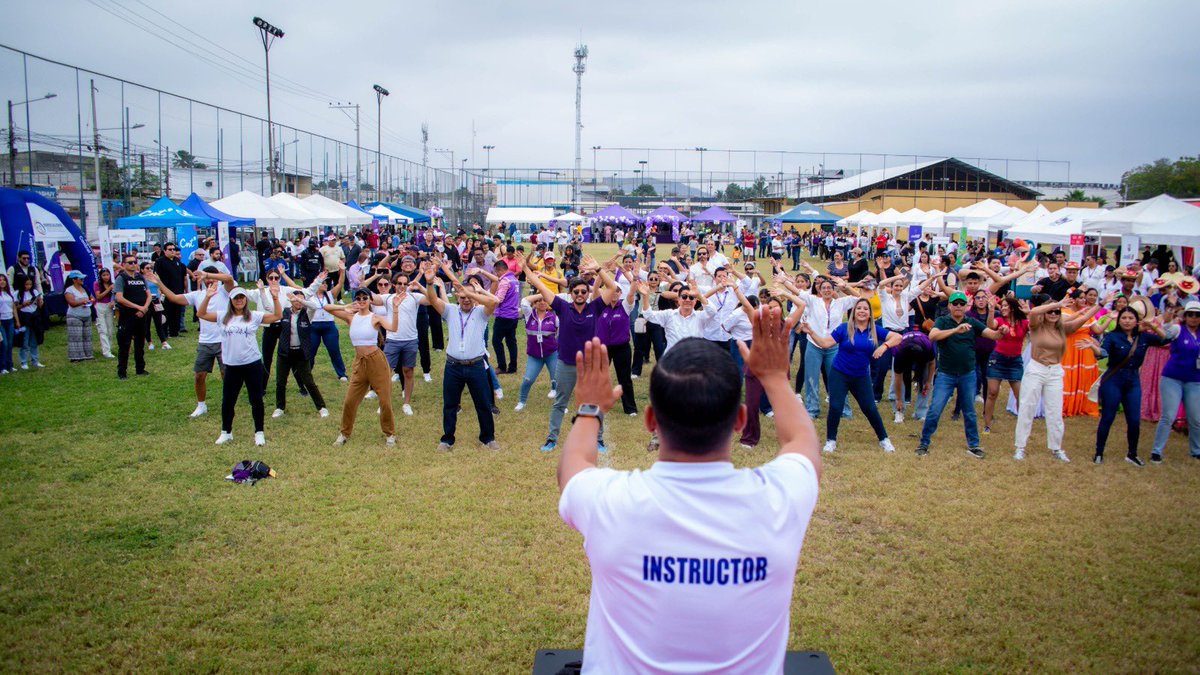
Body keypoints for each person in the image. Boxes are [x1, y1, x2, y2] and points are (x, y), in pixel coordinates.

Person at [555, 307, 821, 673]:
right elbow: (802, 441)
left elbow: (573, 469)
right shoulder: (778, 499)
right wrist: (775, 377)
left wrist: (589, 409)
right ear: (740, 420)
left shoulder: (612, 502)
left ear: (651, 421)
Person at [525, 254, 616, 455]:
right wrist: (525, 268)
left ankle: (598, 439)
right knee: (560, 402)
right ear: (571, 293)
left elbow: (612, 289)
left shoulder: (595, 307)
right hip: (566, 364)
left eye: (584, 291)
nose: (581, 294)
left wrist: (598, 270)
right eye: (577, 291)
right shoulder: (562, 307)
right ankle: (552, 438)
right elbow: (540, 287)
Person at [1013, 293, 1109, 462]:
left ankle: (1056, 448)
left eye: (1057, 312)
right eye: (1051, 311)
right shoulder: (1036, 325)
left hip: (1055, 371)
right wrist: (1057, 304)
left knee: (1055, 410)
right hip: (1036, 369)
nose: (1053, 315)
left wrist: (1101, 303)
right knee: (1027, 407)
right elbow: (1035, 312)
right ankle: (1020, 447)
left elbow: (1085, 317)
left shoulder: (1063, 328)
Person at [915, 291, 1008, 458]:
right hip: (946, 375)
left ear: (966, 306)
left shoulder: (972, 322)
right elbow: (932, 336)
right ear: (949, 306)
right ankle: (924, 443)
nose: (958, 306)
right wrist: (955, 330)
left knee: (969, 411)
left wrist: (1002, 331)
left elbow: (993, 335)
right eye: (955, 303)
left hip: (967, 374)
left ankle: (974, 445)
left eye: (961, 304)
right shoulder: (943, 321)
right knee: (935, 409)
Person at [805, 298, 902, 453]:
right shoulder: (844, 328)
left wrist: (884, 346)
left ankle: (884, 439)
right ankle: (831, 441)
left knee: (870, 408)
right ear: (853, 312)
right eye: (859, 308)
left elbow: (898, 337)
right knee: (836, 407)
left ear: (870, 313)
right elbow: (824, 344)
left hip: (861, 376)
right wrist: (811, 332)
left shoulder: (875, 330)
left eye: (865, 309)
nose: (862, 311)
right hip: (839, 374)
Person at [423, 261, 501, 452]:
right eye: (462, 296)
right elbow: (433, 300)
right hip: (453, 366)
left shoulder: (481, 312)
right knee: (450, 404)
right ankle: (447, 439)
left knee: (483, 403)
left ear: (474, 297)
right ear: (457, 297)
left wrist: (472, 293)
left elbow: (493, 302)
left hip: (475, 366)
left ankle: (488, 437)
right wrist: (430, 283)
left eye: (468, 297)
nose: (465, 300)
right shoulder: (450, 311)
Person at [196, 281, 282, 446]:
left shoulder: (254, 316)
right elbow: (201, 314)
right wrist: (207, 297)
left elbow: (277, 316)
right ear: (231, 300)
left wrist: (276, 298)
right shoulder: (222, 316)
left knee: (256, 399)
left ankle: (259, 432)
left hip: (252, 364)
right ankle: (226, 432)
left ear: (246, 299)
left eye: (242, 297)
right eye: (236, 298)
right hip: (231, 365)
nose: (239, 300)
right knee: (228, 400)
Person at [1087, 306, 1167, 466]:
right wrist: (1094, 348)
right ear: (1119, 320)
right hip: (1114, 379)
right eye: (1124, 318)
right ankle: (1099, 452)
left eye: (1131, 318)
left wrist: (1152, 326)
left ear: (1137, 320)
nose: (1127, 321)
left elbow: (1166, 340)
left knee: (1134, 420)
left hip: (1133, 380)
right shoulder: (1112, 336)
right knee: (1108, 417)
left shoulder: (1144, 337)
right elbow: (1103, 352)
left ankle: (1132, 454)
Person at [150, 267, 233, 418]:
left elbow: (228, 278)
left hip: (224, 340)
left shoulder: (225, 292)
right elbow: (174, 298)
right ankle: (201, 405)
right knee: (199, 375)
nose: (209, 282)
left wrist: (209, 275)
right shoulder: (197, 295)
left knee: (226, 374)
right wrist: (159, 283)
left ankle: (228, 403)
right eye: (206, 279)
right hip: (205, 342)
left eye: (212, 279)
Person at [328, 288, 403, 447]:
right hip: (359, 362)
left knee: (384, 400)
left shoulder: (375, 317)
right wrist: (345, 307)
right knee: (350, 401)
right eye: (359, 298)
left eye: (364, 298)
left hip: (377, 362)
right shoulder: (351, 317)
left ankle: (390, 434)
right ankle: (344, 433)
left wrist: (395, 309)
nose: (361, 301)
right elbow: (326, 308)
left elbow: (393, 328)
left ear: (370, 300)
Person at [1149, 301, 1200, 463]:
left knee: (1195, 418)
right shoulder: (1178, 329)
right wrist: (1166, 320)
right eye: (1190, 314)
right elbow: (1165, 334)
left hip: (1195, 380)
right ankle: (1157, 451)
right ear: (1185, 316)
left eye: (1197, 315)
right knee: (1168, 416)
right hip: (1173, 378)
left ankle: (1195, 451)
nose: (1194, 318)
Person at [370, 271, 427, 416]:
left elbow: (433, 299)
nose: (402, 286)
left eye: (405, 283)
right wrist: (364, 282)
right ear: (394, 285)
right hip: (393, 340)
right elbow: (370, 298)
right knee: (385, 372)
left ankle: (406, 403)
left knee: (408, 371)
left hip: (410, 340)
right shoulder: (388, 298)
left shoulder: (415, 297)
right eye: (399, 283)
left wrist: (420, 285)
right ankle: (383, 403)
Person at [271, 288, 330, 420]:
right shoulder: (285, 312)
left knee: (308, 381)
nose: (298, 302)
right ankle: (280, 408)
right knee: (281, 381)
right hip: (285, 352)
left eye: (301, 299)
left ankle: (321, 407)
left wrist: (299, 299)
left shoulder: (307, 313)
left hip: (301, 352)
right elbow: (272, 309)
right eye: (295, 298)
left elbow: (314, 306)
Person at [982, 295, 1028, 433]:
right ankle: (987, 425)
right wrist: (990, 310)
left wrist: (1030, 312)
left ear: (1013, 308)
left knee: (1020, 394)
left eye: (1006, 305)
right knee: (992, 392)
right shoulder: (1000, 320)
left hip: (1015, 361)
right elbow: (990, 325)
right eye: (1001, 306)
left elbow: (1038, 327)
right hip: (998, 359)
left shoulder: (1024, 322)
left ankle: (1022, 426)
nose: (1003, 308)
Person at [515, 292, 559, 411]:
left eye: (545, 300)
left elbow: (560, 333)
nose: (542, 302)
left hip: (552, 354)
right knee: (528, 379)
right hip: (534, 356)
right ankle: (522, 402)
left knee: (557, 378)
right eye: (539, 300)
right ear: (534, 303)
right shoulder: (529, 315)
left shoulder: (554, 317)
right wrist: (541, 292)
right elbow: (524, 302)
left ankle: (559, 402)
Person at [113, 255, 151, 379]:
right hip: (127, 315)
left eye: (135, 262)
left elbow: (148, 294)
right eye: (130, 263)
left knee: (140, 343)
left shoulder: (140, 277)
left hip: (141, 315)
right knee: (125, 345)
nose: (133, 264)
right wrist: (137, 307)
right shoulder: (121, 278)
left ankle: (140, 369)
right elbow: (119, 298)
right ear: (124, 264)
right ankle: (122, 372)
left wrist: (144, 308)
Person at [489, 259, 521, 374]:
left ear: (500, 270)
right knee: (511, 342)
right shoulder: (515, 280)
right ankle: (513, 367)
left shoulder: (505, 281)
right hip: (514, 316)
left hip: (503, 316)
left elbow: (499, 299)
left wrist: (489, 299)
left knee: (496, 341)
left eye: (496, 272)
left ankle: (501, 366)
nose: (496, 275)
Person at [153, 242, 187, 338]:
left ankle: (174, 332)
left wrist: (184, 289)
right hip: (165, 292)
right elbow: (156, 275)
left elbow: (182, 276)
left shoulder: (177, 261)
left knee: (176, 312)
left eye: (174, 249)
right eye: (170, 249)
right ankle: (164, 333)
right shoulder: (160, 261)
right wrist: (160, 289)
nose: (172, 251)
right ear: (165, 251)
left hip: (178, 292)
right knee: (165, 313)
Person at [63, 271, 95, 362]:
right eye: (80, 278)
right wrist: (82, 301)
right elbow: (72, 303)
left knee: (87, 336)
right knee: (76, 336)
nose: (82, 280)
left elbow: (92, 297)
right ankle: (76, 356)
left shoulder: (85, 288)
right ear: (74, 280)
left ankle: (88, 354)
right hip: (75, 315)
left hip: (86, 314)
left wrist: (91, 300)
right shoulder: (69, 290)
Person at [0, 274, 15, 373]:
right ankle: (2, 366)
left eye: (3, 280)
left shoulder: (9, 294)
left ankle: (10, 365)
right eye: (0, 280)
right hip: (1, 320)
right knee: (4, 344)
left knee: (10, 343)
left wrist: (17, 320)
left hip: (10, 319)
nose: (2, 282)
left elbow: (13, 307)